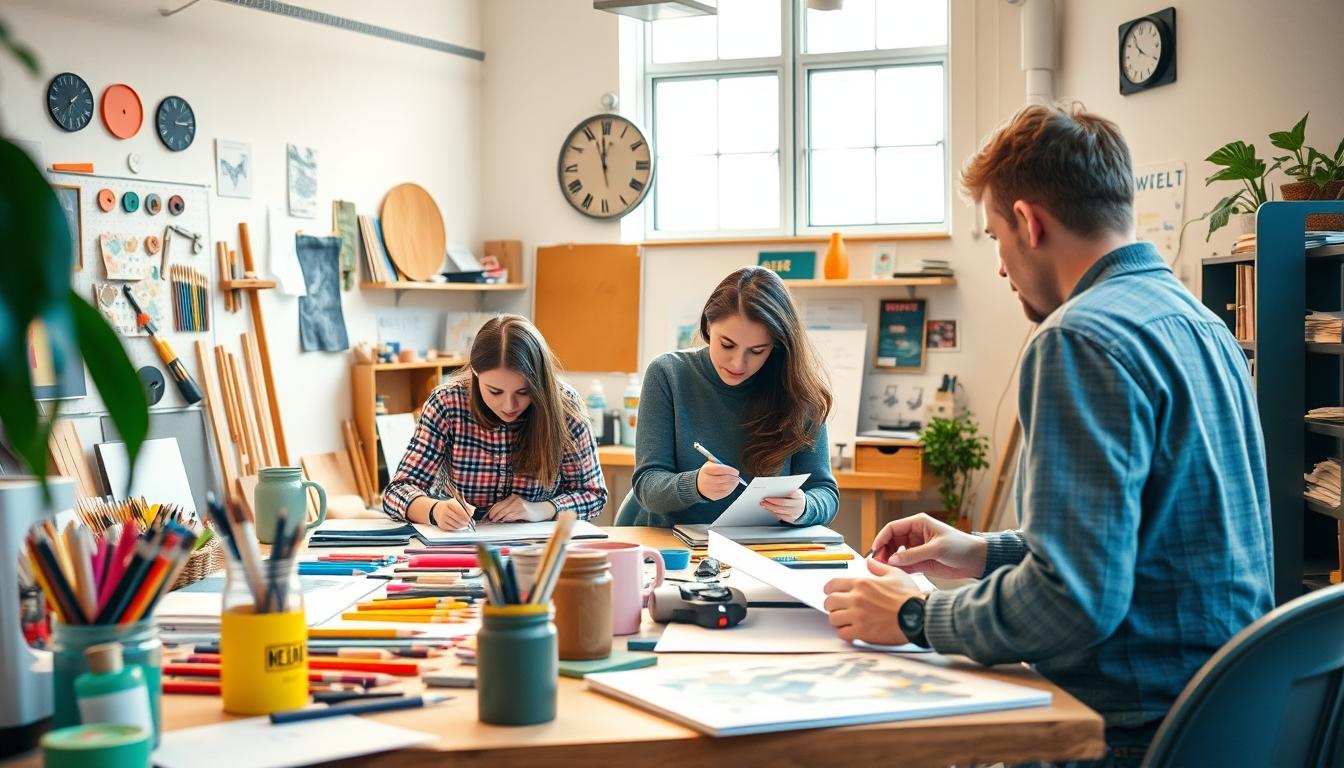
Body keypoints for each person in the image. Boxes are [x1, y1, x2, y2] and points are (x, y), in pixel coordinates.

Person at [823, 105, 1273, 766]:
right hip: (1222, 717)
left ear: (1030, 223)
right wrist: (980, 552)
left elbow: (1075, 601)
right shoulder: (1202, 322)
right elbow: (1146, 546)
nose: (1002, 267)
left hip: (1124, 732)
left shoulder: (1077, 337)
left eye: (995, 237)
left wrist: (914, 618)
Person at [629, 266, 838, 527]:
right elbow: (647, 487)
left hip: (763, 550)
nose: (738, 363)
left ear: (777, 346)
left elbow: (826, 493)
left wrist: (805, 507)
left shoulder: (799, 393)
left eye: (757, 350)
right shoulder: (668, 374)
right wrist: (695, 485)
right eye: (726, 344)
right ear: (708, 325)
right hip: (679, 549)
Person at [383, 314, 607, 528]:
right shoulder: (447, 403)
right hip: (459, 545)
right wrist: (435, 511)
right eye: (495, 391)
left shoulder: (564, 405)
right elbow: (397, 492)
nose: (509, 406)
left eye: (523, 391)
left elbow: (593, 494)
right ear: (475, 373)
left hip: (538, 550)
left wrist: (542, 509)